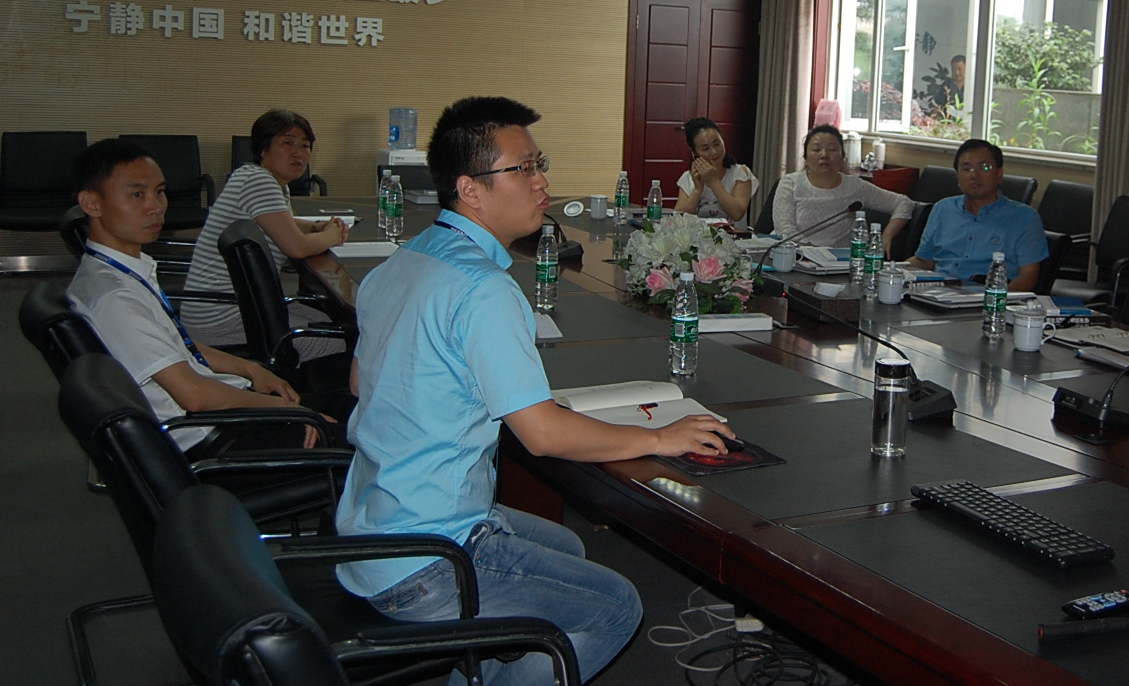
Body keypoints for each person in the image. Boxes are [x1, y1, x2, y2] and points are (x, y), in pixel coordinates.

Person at [336, 95, 735, 686]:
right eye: (523, 169)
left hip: (372, 528)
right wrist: (660, 437)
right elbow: (543, 435)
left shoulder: (403, 260)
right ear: (470, 189)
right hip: (431, 560)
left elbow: (359, 380)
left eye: (538, 163)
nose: (542, 180)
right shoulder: (483, 289)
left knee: (565, 548)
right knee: (616, 605)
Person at [66, 139, 324, 459]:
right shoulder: (116, 299)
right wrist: (284, 410)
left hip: (219, 410)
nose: (156, 207)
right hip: (213, 437)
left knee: (342, 401)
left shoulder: (117, 271)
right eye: (137, 195)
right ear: (91, 204)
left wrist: (251, 370)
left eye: (159, 192)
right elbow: (194, 395)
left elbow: (175, 343)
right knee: (364, 427)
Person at [181, 109, 348, 360]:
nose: (298, 153)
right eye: (288, 143)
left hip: (230, 305)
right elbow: (297, 248)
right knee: (335, 341)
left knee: (334, 321)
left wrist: (315, 226)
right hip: (221, 318)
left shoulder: (257, 177)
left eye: (305, 146)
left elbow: (279, 222)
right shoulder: (260, 182)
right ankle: (300, 384)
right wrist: (334, 234)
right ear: (263, 149)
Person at [906, 139, 1048, 290]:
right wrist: (894, 271)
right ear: (958, 177)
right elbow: (924, 261)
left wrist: (997, 300)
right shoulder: (943, 208)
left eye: (984, 167)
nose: (974, 175)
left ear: (999, 174)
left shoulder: (1024, 217)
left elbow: (1028, 276)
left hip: (988, 296)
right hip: (938, 294)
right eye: (966, 169)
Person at [772, 124, 912, 252]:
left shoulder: (855, 187)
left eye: (832, 149)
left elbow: (903, 203)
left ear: (843, 156)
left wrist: (887, 235)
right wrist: (815, 253)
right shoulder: (790, 184)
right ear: (806, 157)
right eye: (816, 149)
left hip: (839, 262)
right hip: (794, 256)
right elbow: (785, 230)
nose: (824, 155)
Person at [673, 117, 759, 227]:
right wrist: (697, 190)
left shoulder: (740, 173)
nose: (714, 152)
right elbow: (677, 220)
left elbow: (737, 214)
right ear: (695, 152)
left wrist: (713, 181)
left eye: (717, 144)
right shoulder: (688, 178)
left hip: (734, 237)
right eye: (705, 149)